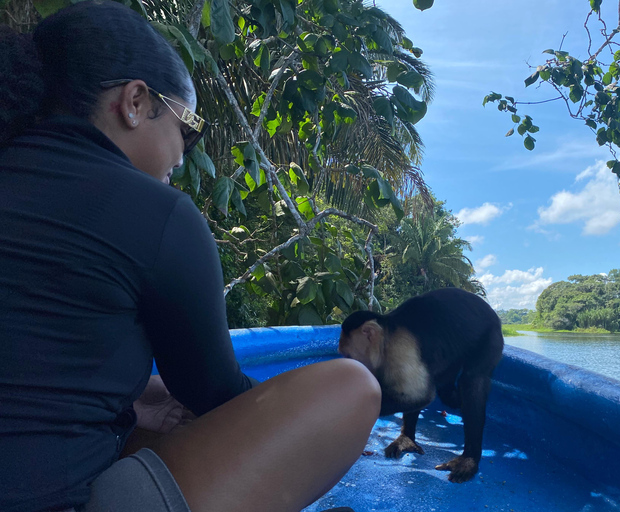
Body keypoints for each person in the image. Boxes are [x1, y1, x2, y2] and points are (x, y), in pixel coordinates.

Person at [0, 2, 381, 512]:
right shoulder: (156, 212)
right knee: (351, 387)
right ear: (134, 102)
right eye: (187, 126)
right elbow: (218, 394)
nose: (183, 156)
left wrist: (137, 396)